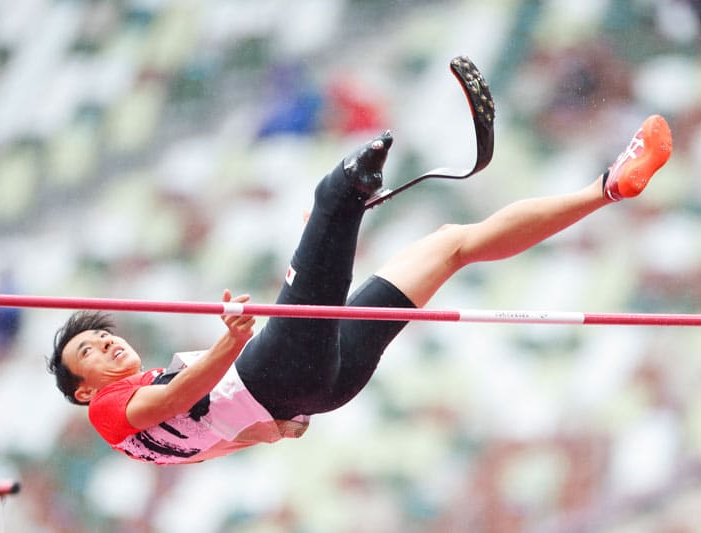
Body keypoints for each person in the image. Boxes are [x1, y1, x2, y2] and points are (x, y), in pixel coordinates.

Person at [47, 115, 673, 465]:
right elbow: (180, 397)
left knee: (450, 244)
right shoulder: (114, 412)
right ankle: (351, 184)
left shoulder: (152, 445)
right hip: (278, 376)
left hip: (314, 387)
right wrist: (230, 344)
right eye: (91, 354)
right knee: (332, 195)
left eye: (104, 336)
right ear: (84, 389)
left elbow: (237, 435)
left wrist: (273, 422)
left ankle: (609, 186)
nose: (106, 345)